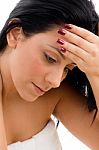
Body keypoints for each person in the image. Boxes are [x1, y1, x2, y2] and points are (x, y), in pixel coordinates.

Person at [0, 0, 99, 149]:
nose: (56, 81)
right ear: (15, 34)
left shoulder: (55, 94)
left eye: (68, 69)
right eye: (50, 58)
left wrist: (95, 72)